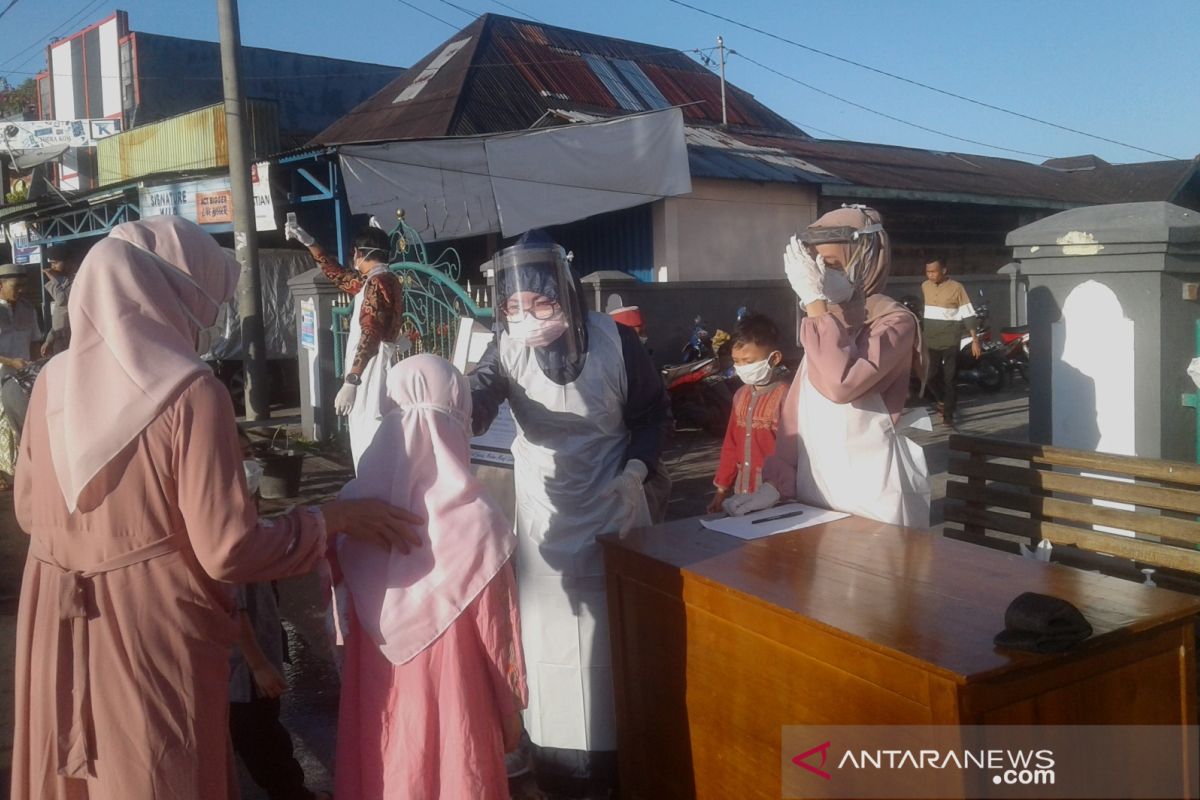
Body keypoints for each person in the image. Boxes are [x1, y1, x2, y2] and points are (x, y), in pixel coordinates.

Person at [10, 217, 422, 800]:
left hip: (52, 612)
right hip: (145, 625)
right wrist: (331, 519)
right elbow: (229, 548)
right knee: (155, 770)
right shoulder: (189, 391)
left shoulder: (51, 381)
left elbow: (28, 509)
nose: (207, 325)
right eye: (205, 305)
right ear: (173, 295)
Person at [469, 230, 671, 797]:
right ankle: (553, 755)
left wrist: (637, 470)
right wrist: (448, 407)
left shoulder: (617, 342)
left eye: (539, 302)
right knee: (547, 632)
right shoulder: (506, 346)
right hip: (545, 513)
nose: (526, 316)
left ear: (565, 293)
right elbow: (479, 397)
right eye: (513, 306)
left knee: (611, 637)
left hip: (613, 502)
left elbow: (655, 413)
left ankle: (620, 753)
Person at [333, 354, 527, 799]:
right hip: (460, 701)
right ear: (458, 416)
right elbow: (501, 639)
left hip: (375, 698)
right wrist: (510, 714)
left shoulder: (354, 513)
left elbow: (339, 624)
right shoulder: (479, 523)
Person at [725, 206, 930, 528]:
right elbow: (796, 417)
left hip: (871, 495)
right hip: (816, 492)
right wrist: (774, 485)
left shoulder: (893, 321)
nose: (820, 275)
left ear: (866, 262)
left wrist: (816, 305)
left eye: (832, 265)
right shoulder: (827, 322)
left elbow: (840, 386)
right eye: (815, 265)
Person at [229, 431, 328, 800]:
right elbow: (232, 605)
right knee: (261, 739)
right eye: (235, 454)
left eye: (249, 452)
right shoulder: (225, 521)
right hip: (242, 670)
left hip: (255, 657)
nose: (247, 463)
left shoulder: (247, 510)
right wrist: (258, 665)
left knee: (260, 731)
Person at [284, 217, 404, 470]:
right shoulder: (382, 280)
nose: (353, 260)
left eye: (354, 255)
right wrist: (310, 242)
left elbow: (370, 333)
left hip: (370, 372)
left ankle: (372, 496)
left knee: (369, 435)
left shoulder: (376, 284)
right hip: (377, 366)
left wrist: (352, 380)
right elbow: (338, 276)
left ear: (359, 253)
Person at [707, 312, 789, 514]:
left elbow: (794, 452)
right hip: (741, 494)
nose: (742, 368)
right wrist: (721, 489)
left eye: (748, 361)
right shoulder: (740, 396)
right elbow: (731, 445)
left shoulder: (788, 396)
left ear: (774, 358)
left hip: (776, 498)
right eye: (737, 361)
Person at [921, 256, 980, 426]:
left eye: (933, 271)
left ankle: (948, 415)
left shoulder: (957, 288)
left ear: (944, 271)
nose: (930, 275)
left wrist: (975, 339)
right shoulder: (924, 286)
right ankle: (941, 400)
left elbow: (968, 313)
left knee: (950, 379)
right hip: (931, 340)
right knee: (929, 376)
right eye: (927, 272)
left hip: (950, 340)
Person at [0, 262, 43, 490]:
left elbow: (35, 340)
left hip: (24, 378)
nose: (21, 291)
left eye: (23, 286)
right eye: (16, 286)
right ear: (1, 286)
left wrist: (38, 366)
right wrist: (9, 361)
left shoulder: (28, 309)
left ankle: (23, 473)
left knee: (24, 425)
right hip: (1, 377)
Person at [41, 244, 77, 357]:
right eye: (51, 263)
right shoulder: (63, 281)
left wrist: (52, 279)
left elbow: (62, 300)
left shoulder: (78, 279)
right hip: (60, 337)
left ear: (69, 262)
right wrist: (49, 340)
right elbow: (59, 315)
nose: (52, 267)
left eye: (55, 263)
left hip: (72, 336)